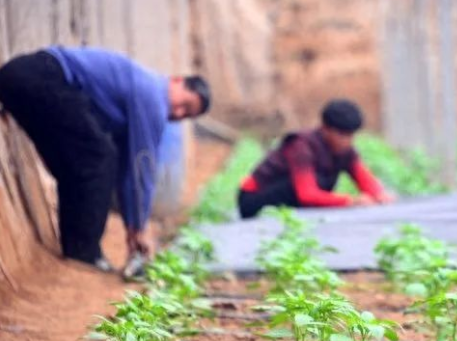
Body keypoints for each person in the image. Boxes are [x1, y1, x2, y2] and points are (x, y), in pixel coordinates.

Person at [0, 46, 211, 272]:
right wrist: (140, 226)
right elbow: (141, 166)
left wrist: (133, 225)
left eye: (186, 115)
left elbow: (127, 169)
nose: (178, 113)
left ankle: (77, 249)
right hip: (40, 76)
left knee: (78, 166)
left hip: (21, 77)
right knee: (99, 157)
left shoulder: (143, 94)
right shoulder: (153, 98)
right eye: (184, 105)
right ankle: (84, 254)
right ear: (177, 81)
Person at [238, 99, 394, 219]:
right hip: (253, 198)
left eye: (351, 135)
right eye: (342, 135)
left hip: (286, 196)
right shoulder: (301, 146)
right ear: (326, 129)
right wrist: (350, 201)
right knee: (315, 183)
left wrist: (378, 194)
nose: (347, 141)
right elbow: (306, 194)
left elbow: (363, 177)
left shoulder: (345, 151)